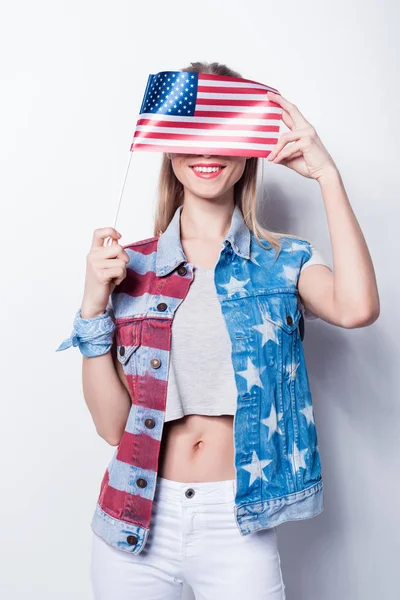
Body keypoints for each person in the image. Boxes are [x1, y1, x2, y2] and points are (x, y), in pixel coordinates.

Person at [56, 61, 380, 599]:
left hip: (237, 523)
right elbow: (114, 428)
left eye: (223, 133)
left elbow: (356, 308)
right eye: (191, 135)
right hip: (134, 518)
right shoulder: (127, 267)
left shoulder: (283, 262)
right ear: (170, 152)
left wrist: (327, 174)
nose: (207, 151)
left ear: (245, 151)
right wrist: (93, 304)